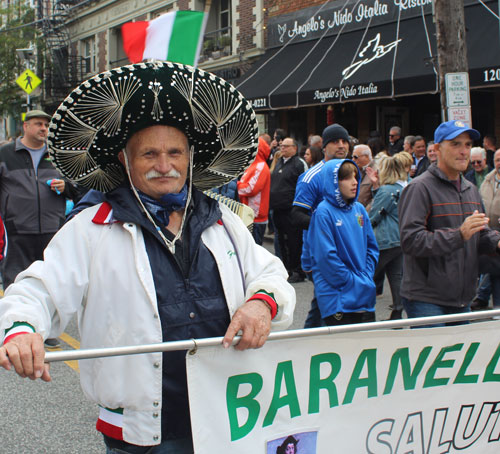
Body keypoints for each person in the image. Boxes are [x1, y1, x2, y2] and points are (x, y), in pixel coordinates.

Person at [0, 62, 295, 453]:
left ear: (190, 157)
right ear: (124, 160)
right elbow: (38, 290)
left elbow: (271, 273)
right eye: (149, 154)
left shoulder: (223, 221)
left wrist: (261, 304)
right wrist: (21, 329)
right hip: (139, 433)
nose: (164, 165)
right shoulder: (91, 227)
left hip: (227, 419)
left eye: (175, 152)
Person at [399, 120, 500, 328]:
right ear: (437, 149)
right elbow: (410, 241)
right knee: (432, 361)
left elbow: (481, 232)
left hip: (462, 298)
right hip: (426, 299)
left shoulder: (470, 189)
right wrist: (459, 234)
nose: (464, 151)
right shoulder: (419, 188)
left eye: (467, 145)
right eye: (455, 144)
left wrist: (497, 242)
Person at [0, 110, 77, 348]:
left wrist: (66, 186)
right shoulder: (5, 154)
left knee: (50, 280)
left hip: (51, 229)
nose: (44, 128)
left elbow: (79, 189)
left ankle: (47, 329)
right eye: (38, 124)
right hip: (17, 228)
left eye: (46, 124)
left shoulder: (57, 156)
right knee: (15, 279)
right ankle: (13, 329)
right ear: (25, 126)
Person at [292, 123, 351, 327]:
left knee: (331, 305)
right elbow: (297, 215)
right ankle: (310, 345)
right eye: (335, 142)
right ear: (324, 147)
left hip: (349, 253)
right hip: (321, 253)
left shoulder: (351, 172)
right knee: (330, 304)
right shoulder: (312, 177)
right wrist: (330, 225)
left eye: (345, 141)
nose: (341, 145)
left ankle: (311, 342)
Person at [308, 159, 379, 325]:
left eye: (356, 176)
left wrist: (366, 277)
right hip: (337, 298)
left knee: (365, 347)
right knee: (343, 348)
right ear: (333, 182)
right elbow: (326, 257)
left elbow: (372, 248)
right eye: (346, 178)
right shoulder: (323, 212)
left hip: (364, 293)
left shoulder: (359, 209)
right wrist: (351, 281)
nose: (354, 182)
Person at [369, 156, 408, 320]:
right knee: (396, 276)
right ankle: (397, 312)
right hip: (400, 238)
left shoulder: (386, 190)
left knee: (368, 275)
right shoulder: (406, 186)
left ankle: (365, 312)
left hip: (385, 239)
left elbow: (374, 215)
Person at [270, 137, 308, 283]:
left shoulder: (299, 164)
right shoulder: (279, 162)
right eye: (281, 146)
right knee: (281, 241)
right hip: (277, 209)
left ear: (294, 148)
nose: (282, 148)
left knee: (294, 241)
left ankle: (297, 270)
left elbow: (304, 185)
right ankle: (286, 269)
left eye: (286, 146)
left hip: (291, 209)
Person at [237, 137, 271, 245]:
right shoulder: (252, 166)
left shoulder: (260, 166)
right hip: (249, 215)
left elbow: (250, 189)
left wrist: (236, 185)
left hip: (255, 217)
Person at [352, 144, 376, 208]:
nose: (353, 160)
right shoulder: (358, 170)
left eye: (355, 157)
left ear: (366, 156)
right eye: (352, 157)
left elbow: (377, 196)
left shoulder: (376, 171)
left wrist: (366, 212)